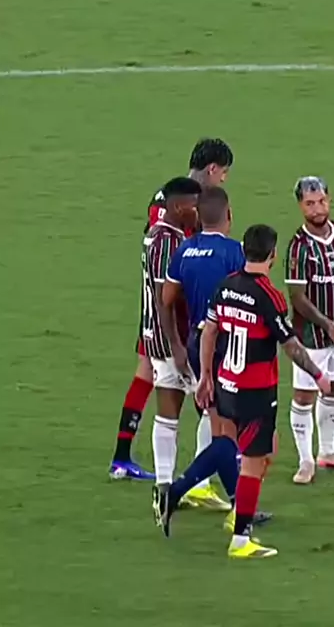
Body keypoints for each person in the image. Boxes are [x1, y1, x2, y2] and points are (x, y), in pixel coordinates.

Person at [156, 224, 330, 559]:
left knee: (230, 444)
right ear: (273, 255)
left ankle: (175, 492)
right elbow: (290, 345)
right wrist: (318, 374)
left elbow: (209, 332)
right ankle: (240, 537)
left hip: (226, 383)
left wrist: (206, 376)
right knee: (254, 462)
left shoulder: (225, 286)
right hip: (256, 391)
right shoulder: (269, 296)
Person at [109, 138, 233, 480]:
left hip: (158, 306)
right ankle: (208, 468)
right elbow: (170, 257)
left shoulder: (168, 195)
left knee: (149, 372)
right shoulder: (185, 206)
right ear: (213, 168)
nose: (223, 179)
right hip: (172, 309)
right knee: (198, 385)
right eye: (223, 172)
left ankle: (124, 456)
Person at [157, 189, 272, 529]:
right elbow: (250, 295)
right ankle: (178, 492)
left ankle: (238, 506)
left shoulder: (184, 250)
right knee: (228, 436)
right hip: (228, 345)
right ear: (229, 215)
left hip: (197, 343)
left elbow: (167, 298)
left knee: (221, 427)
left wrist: (178, 344)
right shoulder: (235, 252)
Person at [284, 176, 334, 485]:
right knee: (304, 395)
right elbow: (297, 297)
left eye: (321, 201)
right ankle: (305, 460)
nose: (317, 209)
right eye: (310, 204)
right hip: (311, 337)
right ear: (300, 206)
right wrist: (327, 325)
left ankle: (328, 452)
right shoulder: (299, 247)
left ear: (329, 199)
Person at [138, 177, 201, 493]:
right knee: (213, 409)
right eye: (194, 206)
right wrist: (177, 345)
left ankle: (164, 486)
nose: (198, 212)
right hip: (172, 339)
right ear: (178, 207)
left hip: (160, 336)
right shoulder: (168, 242)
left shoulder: (160, 235)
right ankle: (197, 484)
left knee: (169, 412)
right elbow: (165, 298)